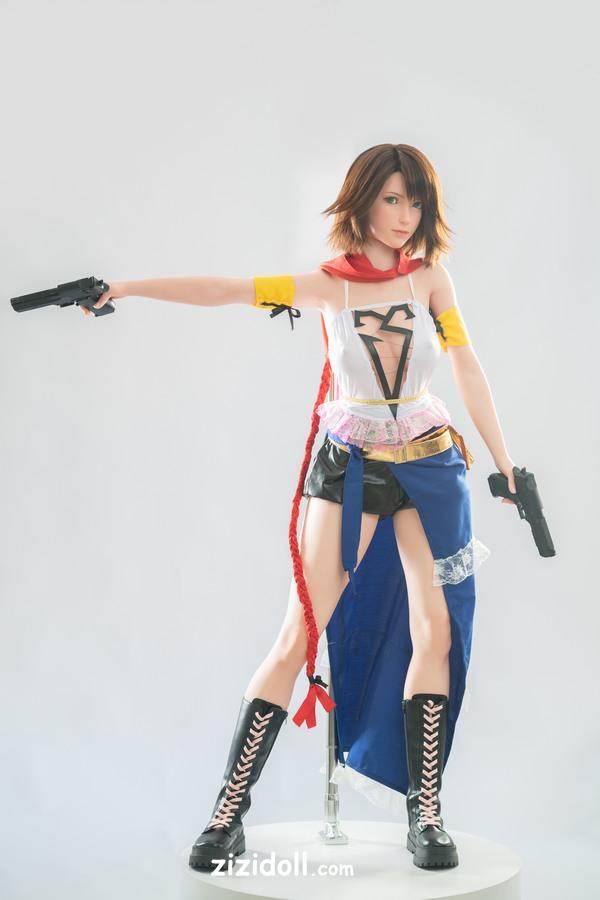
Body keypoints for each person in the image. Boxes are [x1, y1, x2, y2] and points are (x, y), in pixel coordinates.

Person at [85, 143, 517, 872]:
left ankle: (426, 811)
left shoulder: (431, 280)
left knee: (435, 628)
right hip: (352, 467)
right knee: (298, 636)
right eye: (391, 199)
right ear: (362, 200)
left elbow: (466, 364)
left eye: (416, 201)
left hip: (428, 462)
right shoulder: (326, 287)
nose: (405, 216)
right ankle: (229, 810)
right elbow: (224, 290)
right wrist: (123, 288)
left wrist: (507, 463)